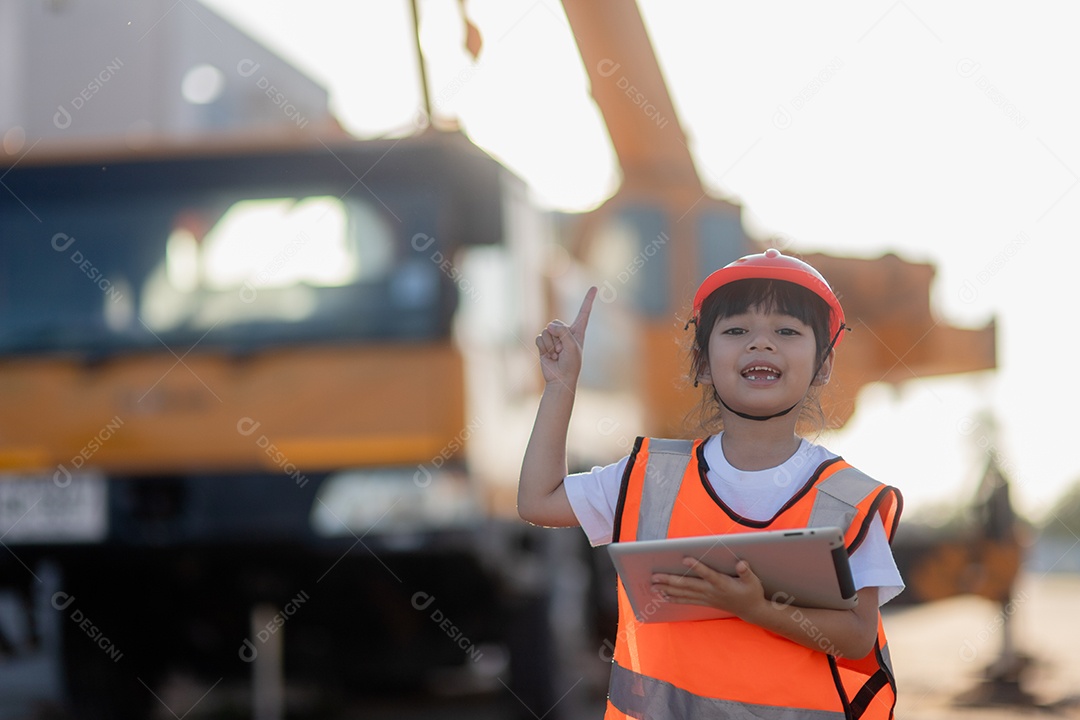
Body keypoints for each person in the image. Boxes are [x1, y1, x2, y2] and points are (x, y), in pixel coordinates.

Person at [518, 249, 904, 719]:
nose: (761, 344)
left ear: (823, 366)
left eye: (787, 331)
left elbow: (858, 634)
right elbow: (538, 501)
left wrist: (758, 608)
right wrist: (561, 385)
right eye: (737, 330)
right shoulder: (649, 476)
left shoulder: (850, 499)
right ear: (701, 362)